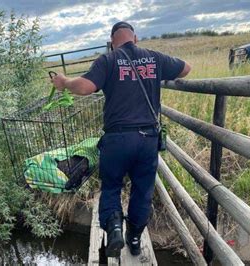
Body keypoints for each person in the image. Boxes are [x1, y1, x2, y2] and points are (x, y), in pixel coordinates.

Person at [51, 21, 191, 257]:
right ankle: (134, 239)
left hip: (117, 140)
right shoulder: (153, 58)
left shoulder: (108, 60)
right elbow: (186, 68)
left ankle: (114, 228)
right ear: (134, 39)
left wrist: (64, 82)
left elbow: (85, 87)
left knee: (112, 186)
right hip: (147, 138)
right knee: (143, 190)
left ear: (112, 41)